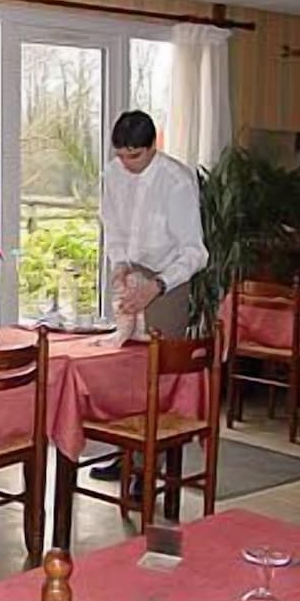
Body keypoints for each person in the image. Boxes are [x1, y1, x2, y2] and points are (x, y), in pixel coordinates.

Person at [90, 110, 209, 484]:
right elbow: (113, 226)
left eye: (135, 156)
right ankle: (124, 454)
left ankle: (148, 466)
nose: (127, 163)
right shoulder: (113, 173)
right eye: (121, 155)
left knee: (158, 378)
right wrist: (119, 265)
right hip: (131, 274)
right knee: (125, 373)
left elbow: (195, 252)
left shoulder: (176, 180)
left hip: (167, 283)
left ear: (152, 146)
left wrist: (156, 286)